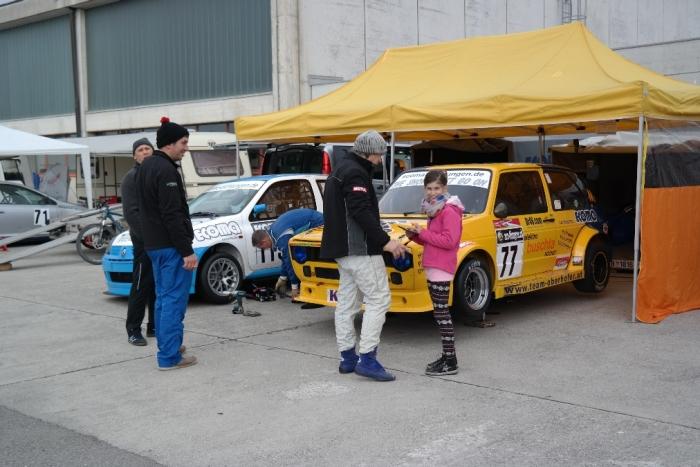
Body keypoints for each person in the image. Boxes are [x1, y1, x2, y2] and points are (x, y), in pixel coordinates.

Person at [321, 130, 407, 382]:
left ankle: (347, 358)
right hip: (359, 249)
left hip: (342, 251)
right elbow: (360, 211)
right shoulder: (355, 173)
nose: (380, 160)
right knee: (379, 299)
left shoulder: (339, 170)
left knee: (347, 304)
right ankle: (367, 359)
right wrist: (385, 241)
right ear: (369, 153)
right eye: (379, 155)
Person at [137, 117, 197, 371]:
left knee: (163, 299)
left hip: (154, 246)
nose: (186, 148)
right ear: (170, 144)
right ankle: (169, 356)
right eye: (183, 143)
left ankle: (169, 345)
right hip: (171, 247)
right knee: (173, 300)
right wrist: (186, 251)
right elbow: (171, 214)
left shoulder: (146, 166)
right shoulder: (166, 170)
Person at [406, 170, 464, 376]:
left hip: (441, 267)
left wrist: (422, 232)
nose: (432, 192)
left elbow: (449, 241)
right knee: (440, 313)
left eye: (436, 188)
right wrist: (414, 236)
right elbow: (433, 240)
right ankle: (447, 357)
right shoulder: (435, 210)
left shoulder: (449, 211)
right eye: (429, 188)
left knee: (442, 314)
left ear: (445, 188)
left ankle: (451, 361)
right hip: (434, 265)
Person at [121, 137, 156, 346]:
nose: (144, 152)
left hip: (161, 242)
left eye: (147, 148)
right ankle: (133, 330)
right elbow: (131, 214)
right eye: (140, 150)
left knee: (157, 285)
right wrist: (148, 237)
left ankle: (154, 326)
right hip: (144, 242)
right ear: (135, 156)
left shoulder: (157, 174)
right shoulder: (131, 178)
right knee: (141, 285)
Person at [251, 208, 324, 299]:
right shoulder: (272, 231)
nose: (265, 249)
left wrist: (294, 287)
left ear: (264, 242)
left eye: (263, 248)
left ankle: (317, 292)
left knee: (309, 258)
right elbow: (286, 256)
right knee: (301, 256)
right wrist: (282, 278)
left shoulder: (281, 237)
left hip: (317, 222)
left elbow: (290, 260)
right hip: (312, 218)